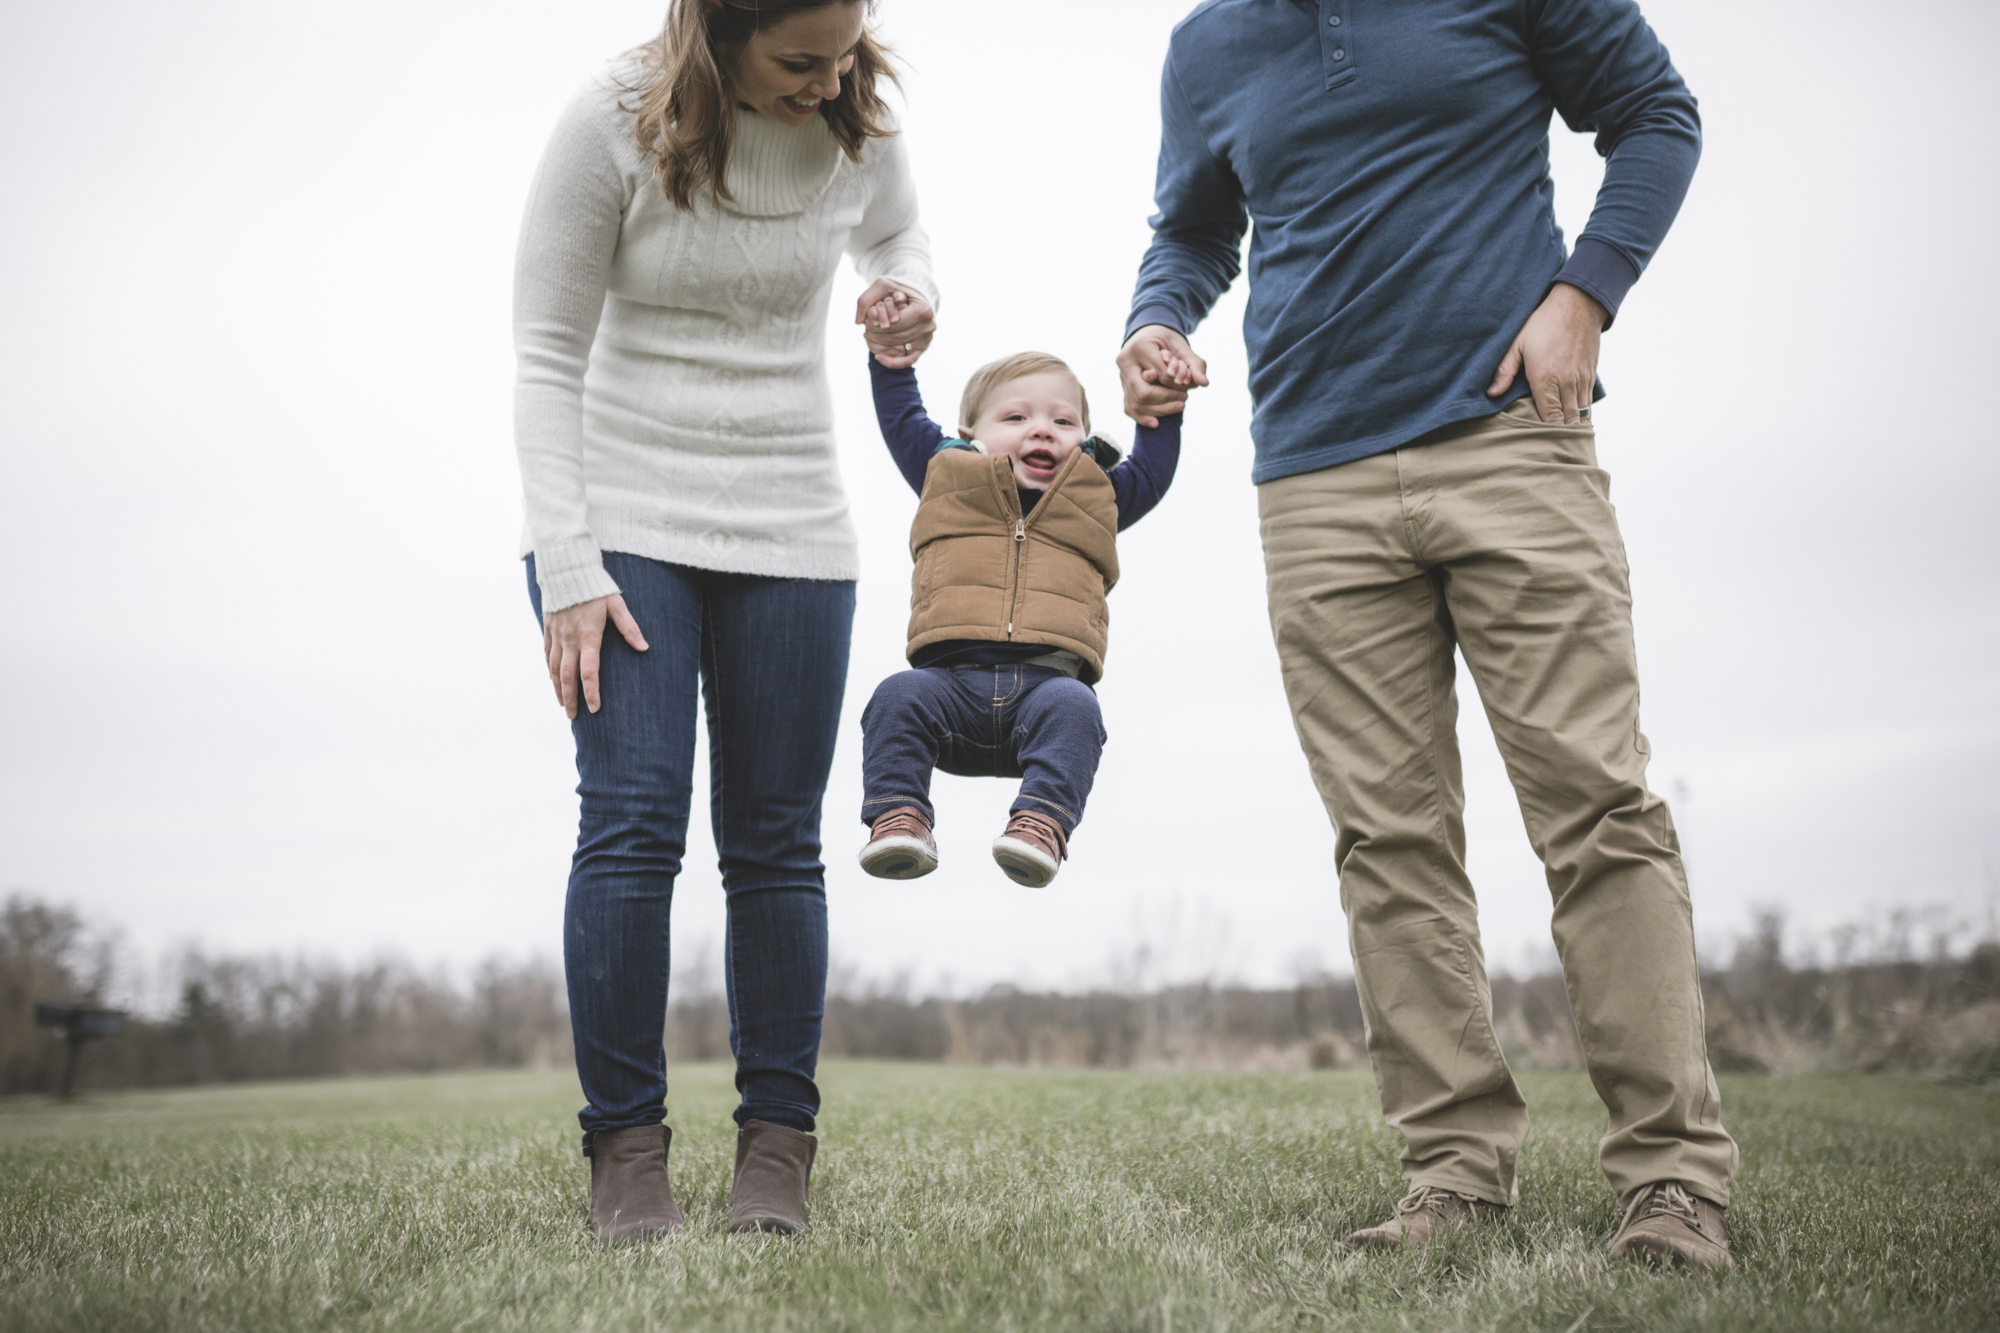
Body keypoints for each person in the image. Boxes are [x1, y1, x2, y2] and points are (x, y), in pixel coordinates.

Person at [1118, 0, 1739, 1270]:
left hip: (1509, 437)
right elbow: (1190, 228)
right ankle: (1453, 1172)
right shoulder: (1205, 45)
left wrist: (1585, 292)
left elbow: (1654, 116)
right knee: (1386, 839)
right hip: (1311, 477)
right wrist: (1154, 319)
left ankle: (1673, 1179)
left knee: (1594, 808)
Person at [512, 0, 935, 1243]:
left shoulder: (855, 125)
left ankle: (775, 1152)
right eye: (798, 61)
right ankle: (625, 1154)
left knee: (773, 845)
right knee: (635, 827)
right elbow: (543, 353)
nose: (828, 82)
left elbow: (902, 235)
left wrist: (905, 293)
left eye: (845, 54)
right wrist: (567, 564)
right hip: (622, 522)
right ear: (718, 34)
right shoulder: (609, 123)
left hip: (793, 526)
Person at [852, 335, 1184, 887]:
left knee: (1078, 707)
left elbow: (1153, 470)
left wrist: (1161, 407)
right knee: (895, 695)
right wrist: (891, 364)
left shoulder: (1097, 499)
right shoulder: (946, 482)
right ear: (969, 437)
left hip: (1045, 695)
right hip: (948, 691)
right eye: (1016, 416)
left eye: (1064, 420)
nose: (1042, 429)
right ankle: (898, 816)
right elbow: (902, 418)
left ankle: (1040, 825)